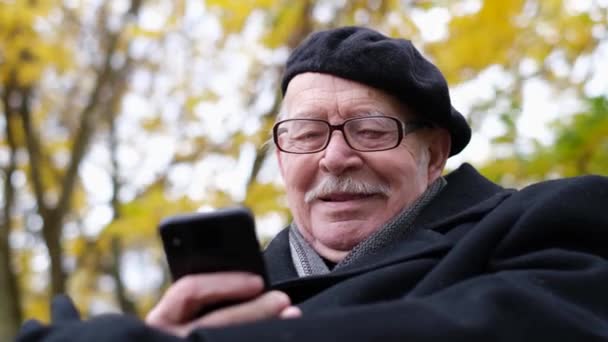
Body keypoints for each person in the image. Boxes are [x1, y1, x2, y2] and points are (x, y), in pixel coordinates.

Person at [17, 26, 608, 342]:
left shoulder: (544, 225)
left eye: (370, 130)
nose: (335, 158)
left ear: (433, 156)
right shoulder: (214, 296)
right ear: (281, 157)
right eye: (305, 135)